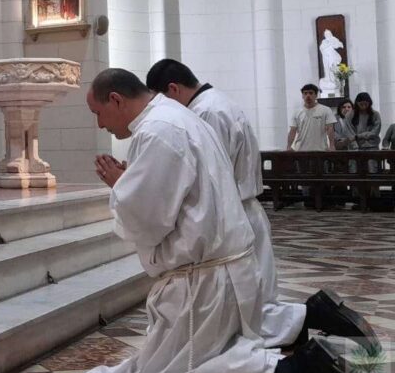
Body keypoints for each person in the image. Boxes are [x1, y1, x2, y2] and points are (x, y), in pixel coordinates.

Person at [64, 69, 392, 373]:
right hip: (222, 262)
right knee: (196, 362)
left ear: (116, 99)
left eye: (97, 113)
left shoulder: (157, 131)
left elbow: (147, 220)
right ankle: (315, 341)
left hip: (202, 276)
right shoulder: (177, 118)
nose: (99, 125)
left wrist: (121, 186)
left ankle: (310, 371)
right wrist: (134, 182)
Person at [146, 59, 378, 350]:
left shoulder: (205, 112)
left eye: (161, 101)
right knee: (254, 303)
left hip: (231, 215)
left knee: (248, 311)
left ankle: (314, 318)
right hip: (242, 210)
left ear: (172, 89)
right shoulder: (217, 103)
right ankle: (310, 326)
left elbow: (209, 175)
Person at [286, 84, 336, 151]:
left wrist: (332, 146)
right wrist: (289, 146)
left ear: (316, 95)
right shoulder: (297, 112)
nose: (308, 96)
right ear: (302, 96)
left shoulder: (326, 110)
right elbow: (292, 131)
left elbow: (330, 128)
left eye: (311, 93)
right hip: (301, 150)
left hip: (320, 150)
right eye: (305, 93)